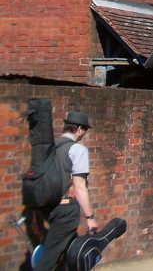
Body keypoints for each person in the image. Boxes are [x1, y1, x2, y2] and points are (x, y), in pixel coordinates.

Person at [34, 111, 98, 271]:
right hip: (66, 211)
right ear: (79, 129)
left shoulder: (51, 148)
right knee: (47, 261)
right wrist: (90, 217)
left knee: (70, 253)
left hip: (49, 208)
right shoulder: (77, 150)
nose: (84, 133)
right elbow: (79, 187)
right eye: (85, 130)